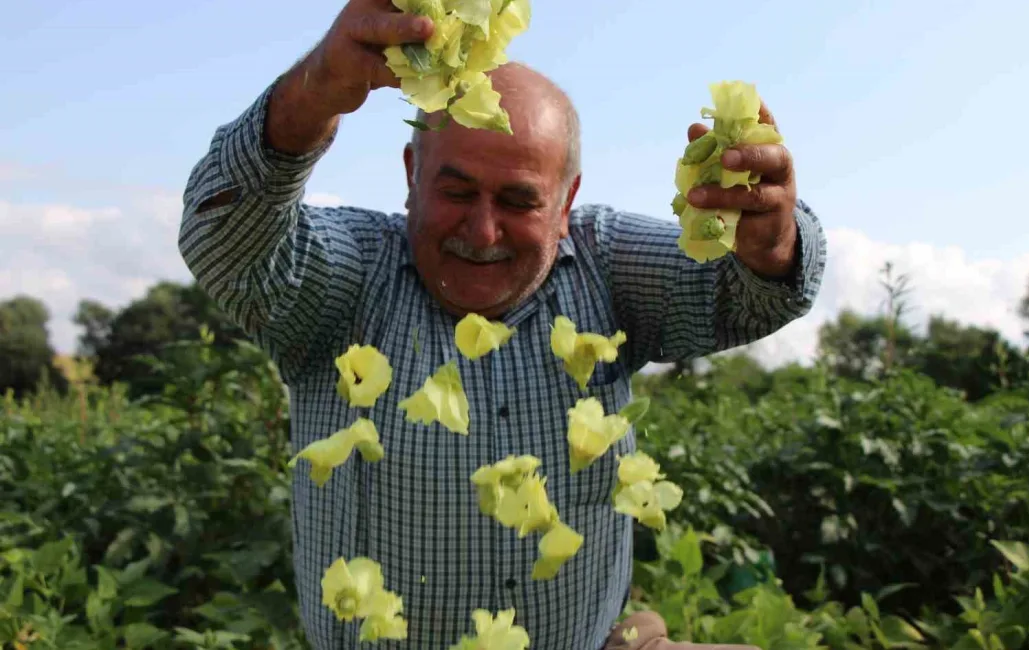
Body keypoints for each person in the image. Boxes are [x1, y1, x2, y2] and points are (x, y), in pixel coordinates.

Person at [177, 2, 827, 648]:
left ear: (566, 203)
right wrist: (313, 94)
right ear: (412, 175)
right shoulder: (343, 282)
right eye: (456, 192)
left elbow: (753, 297)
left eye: (519, 201)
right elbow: (222, 243)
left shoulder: (606, 262)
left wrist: (772, 243)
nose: (483, 231)